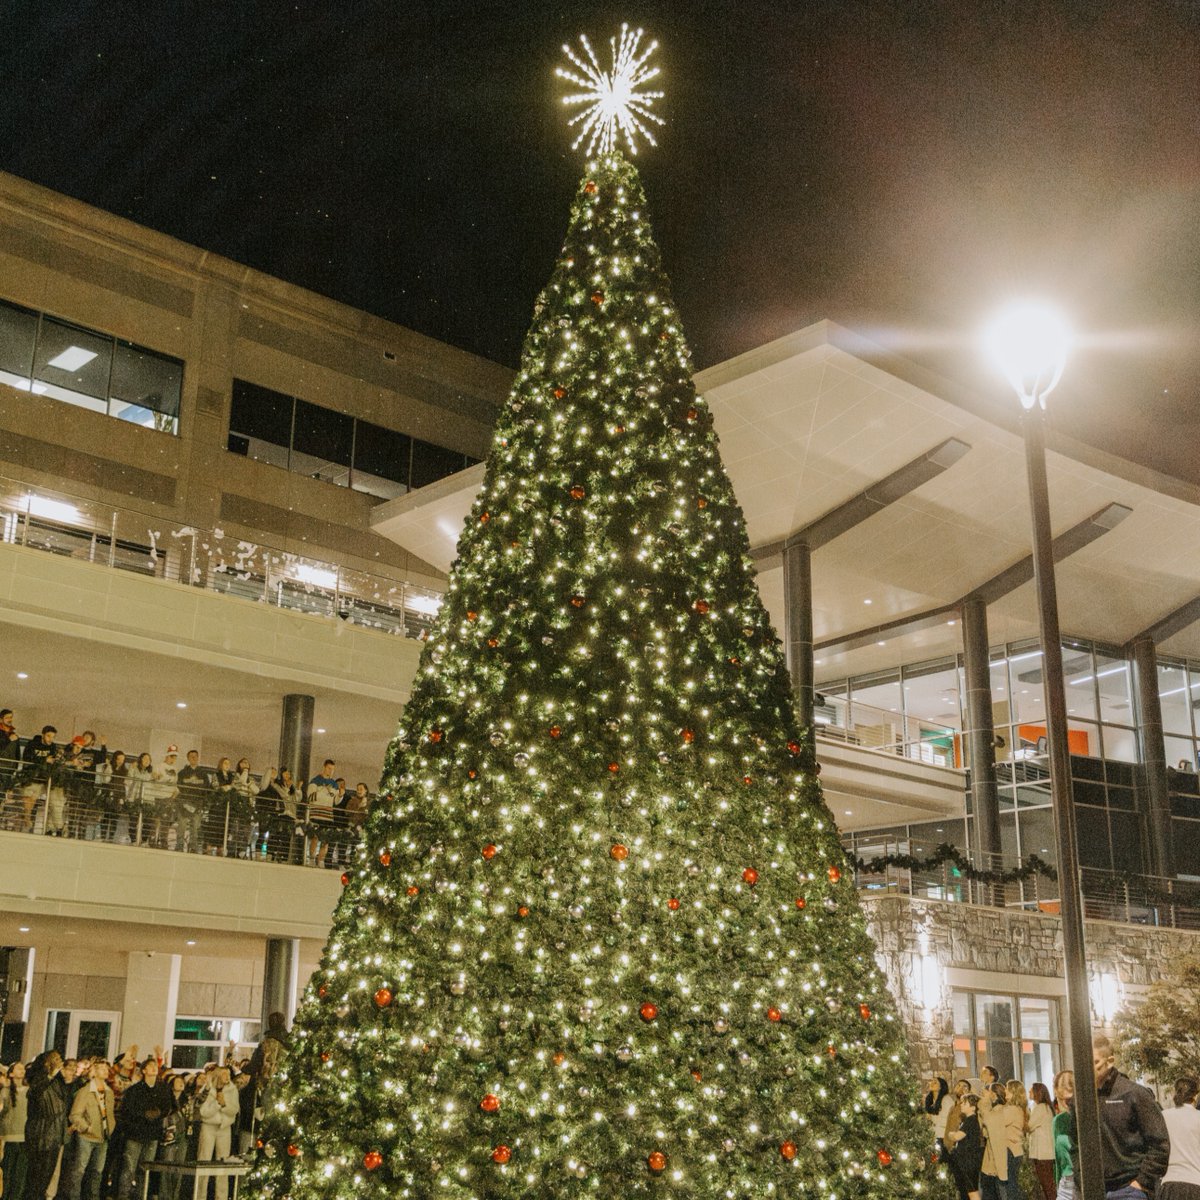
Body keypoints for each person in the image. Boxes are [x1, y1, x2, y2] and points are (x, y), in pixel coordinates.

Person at [1092, 1033, 1170, 1198]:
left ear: (1110, 1061)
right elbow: (1075, 1143)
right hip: (1095, 1188)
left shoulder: (1133, 1093)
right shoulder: (1084, 1098)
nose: (1089, 1068)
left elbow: (1159, 1143)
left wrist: (1141, 1182)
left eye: (1095, 1062)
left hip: (1129, 1189)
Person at [115, 1057, 169, 1200]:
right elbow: (127, 1110)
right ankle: (123, 1196)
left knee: (145, 1169)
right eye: (150, 1066)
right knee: (129, 1167)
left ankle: (141, 1196)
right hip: (135, 1133)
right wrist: (144, 1114)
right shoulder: (135, 1090)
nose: (154, 1068)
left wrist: (159, 1112)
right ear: (144, 1071)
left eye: (155, 1066)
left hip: (152, 1133)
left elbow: (167, 1106)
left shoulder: (162, 1089)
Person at [63, 1061, 114, 1200]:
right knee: (79, 1170)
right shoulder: (85, 1091)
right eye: (101, 1068)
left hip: (103, 1136)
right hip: (87, 1136)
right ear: (94, 1072)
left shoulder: (109, 1092)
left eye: (106, 1068)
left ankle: (92, 1197)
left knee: (97, 1172)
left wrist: (110, 1127)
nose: (105, 1071)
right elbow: (75, 1114)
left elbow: (110, 1114)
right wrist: (86, 1127)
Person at [23, 1051, 70, 1200]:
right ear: (46, 1063)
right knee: (36, 1177)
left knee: (46, 1177)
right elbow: (34, 1092)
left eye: (60, 1057)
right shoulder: (38, 1079)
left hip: (55, 1134)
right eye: (56, 1058)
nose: (60, 1060)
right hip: (41, 1134)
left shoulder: (58, 1081)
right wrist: (50, 1075)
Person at [196, 1067, 240, 1200]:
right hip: (208, 1127)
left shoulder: (232, 1089)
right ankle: (200, 1196)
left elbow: (234, 1109)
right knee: (204, 1161)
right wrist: (217, 1104)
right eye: (224, 1074)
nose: (227, 1076)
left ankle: (221, 1196)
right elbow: (203, 1112)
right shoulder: (208, 1089)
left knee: (223, 1163)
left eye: (228, 1074)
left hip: (225, 1128)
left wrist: (224, 1104)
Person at [1160, 1076, 1200, 1200]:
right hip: (1195, 1183)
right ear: (1195, 1096)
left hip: (1169, 1184)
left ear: (1175, 1092)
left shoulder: (1163, 1116)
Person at [155, 1074, 190, 1200]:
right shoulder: (166, 1100)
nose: (181, 1083)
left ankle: (175, 1195)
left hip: (183, 1135)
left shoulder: (186, 1100)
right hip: (169, 1136)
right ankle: (165, 1196)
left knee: (179, 1167)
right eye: (177, 1081)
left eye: (182, 1081)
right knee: (167, 1167)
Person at [946, 1092, 985, 1200]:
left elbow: (957, 1136)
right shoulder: (968, 1120)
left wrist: (951, 1134)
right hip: (966, 1160)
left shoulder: (971, 1120)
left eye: (965, 1103)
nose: (961, 1105)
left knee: (972, 1190)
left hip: (969, 1161)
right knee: (968, 1190)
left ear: (973, 1107)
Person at [2, 1059, 31, 1200]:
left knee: (20, 1175)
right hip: (9, 1136)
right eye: (18, 1069)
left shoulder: (28, 1091)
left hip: (24, 1137)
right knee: (8, 1173)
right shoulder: (5, 1092)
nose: (22, 1071)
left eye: (23, 1068)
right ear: (11, 1074)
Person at [175, 749, 210, 854]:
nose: (193, 758)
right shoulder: (182, 773)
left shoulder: (203, 774)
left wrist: (202, 803)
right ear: (188, 758)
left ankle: (193, 847)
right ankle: (179, 845)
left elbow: (206, 789)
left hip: (197, 804)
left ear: (198, 758)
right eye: (191, 756)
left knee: (195, 826)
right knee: (182, 825)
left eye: (195, 756)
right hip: (184, 803)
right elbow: (179, 787)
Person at [1028, 1081, 1057, 1200]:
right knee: (1048, 1183)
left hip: (1042, 1153)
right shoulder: (1045, 1107)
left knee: (1047, 1184)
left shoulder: (1040, 1108)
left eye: (1031, 1090)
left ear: (1037, 1093)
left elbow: (1029, 1126)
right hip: (1045, 1152)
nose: (1029, 1092)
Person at [1053, 1070, 1076, 1200]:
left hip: (1085, 1181)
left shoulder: (1089, 1117)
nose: (1065, 1103)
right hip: (1066, 1183)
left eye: (1068, 1099)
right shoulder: (1059, 1121)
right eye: (1060, 1098)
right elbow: (1058, 1160)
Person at [926, 1076, 954, 1155]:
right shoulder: (930, 1101)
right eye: (931, 1081)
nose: (932, 1083)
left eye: (935, 1082)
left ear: (941, 1087)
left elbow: (952, 1118)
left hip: (943, 1137)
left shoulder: (947, 1099)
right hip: (932, 1136)